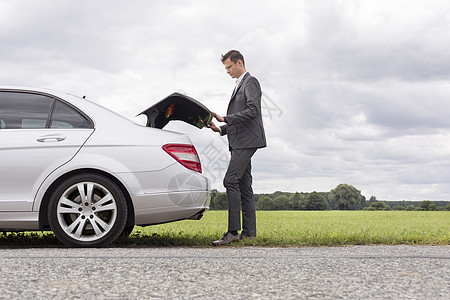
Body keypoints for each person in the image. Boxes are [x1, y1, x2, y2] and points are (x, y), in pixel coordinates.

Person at [208, 50, 267, 245]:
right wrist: (221, 129)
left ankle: (232, 232)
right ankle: (249, 233)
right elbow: (242, 114)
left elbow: (253, 110)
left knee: (230, 180)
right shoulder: (239, 85)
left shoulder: (250, 82)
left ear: (239, 62)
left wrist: (226, 118)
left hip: (247, 141)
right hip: (239, 140)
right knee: (243, 185)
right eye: (225, 68)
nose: (227, 71)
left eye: (229, 67)